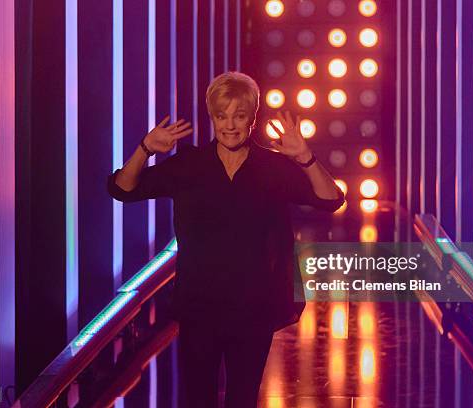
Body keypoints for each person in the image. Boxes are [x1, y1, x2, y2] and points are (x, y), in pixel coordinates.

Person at [107, 71, 344, 408]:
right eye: (222, 115)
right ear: (212, 118)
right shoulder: (190, 164)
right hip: (199, 304)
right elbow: (122, 189)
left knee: (242, 399)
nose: (230, 124)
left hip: (254, 305)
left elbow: (331, 199)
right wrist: (145, 149)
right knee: (198, 399)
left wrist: (305, 157)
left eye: (239, 115)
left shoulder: (272, 167)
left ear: (252, 119)